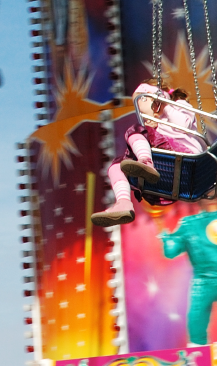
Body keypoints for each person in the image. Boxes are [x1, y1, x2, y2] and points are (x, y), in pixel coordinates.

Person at [93, 85, 204, 226]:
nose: (140, 106)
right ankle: (123, 203)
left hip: (186, 160)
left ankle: (145, 162)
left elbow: (183, 123)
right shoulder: (153, 126)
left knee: (135, 130)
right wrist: (153, 125)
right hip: (166, 179)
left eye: (143, 98)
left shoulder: (178, 105)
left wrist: (165, 105)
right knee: (116, 165)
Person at [160, 197, 217, 346]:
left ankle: (199, 358)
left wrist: (166, 237)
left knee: (197, 334)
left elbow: (170, 251)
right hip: (202, 282)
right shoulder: (189, 224)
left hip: (203, 283)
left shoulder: (189, 224)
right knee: (197, 330)